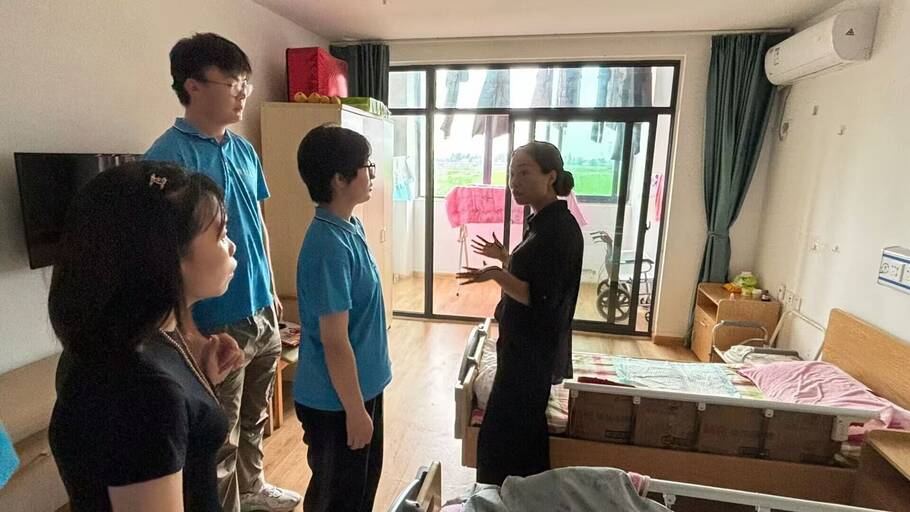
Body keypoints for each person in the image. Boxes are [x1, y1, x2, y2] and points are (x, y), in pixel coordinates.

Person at [144, 33, 300, 512]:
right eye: (232, 82)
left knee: (255, 414)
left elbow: (258, 224)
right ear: (192, 86)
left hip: (260, 306)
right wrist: (188, 329)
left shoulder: (244, 150)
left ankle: (253, 488)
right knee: (219, 432)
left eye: (245, 82)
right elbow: (161, 255)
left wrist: (271, 288)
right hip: (213, 320)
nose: (243, 92)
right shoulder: (168, 159)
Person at [49, 161, 244, 511]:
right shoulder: (143, 393)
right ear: (167, 256)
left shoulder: (124, 338)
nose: (231, 247)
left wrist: (200, 380)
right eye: (221, 234)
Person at [458, 141, 584, 486]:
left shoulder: (558, 230)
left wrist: (496, 274)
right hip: (521, 348)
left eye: (525, 172)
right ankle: (524, 494)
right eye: (512, 173)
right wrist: (506, 258)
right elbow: (535, 274)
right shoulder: (542, 222)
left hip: (531, 354)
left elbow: (539, 297)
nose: (515, 182)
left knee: (502, 437)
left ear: (551, 176)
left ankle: (500, 495)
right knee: (521, 434)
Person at [293, 125, 392, 511]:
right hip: (335, 402)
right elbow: (334, 341)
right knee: (337, 499)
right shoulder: (327, 246)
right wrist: (354, 410)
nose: (372, 173)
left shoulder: (351, 226)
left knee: (361, 489)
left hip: (363, 387)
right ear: (339, 179)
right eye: (366, 165)